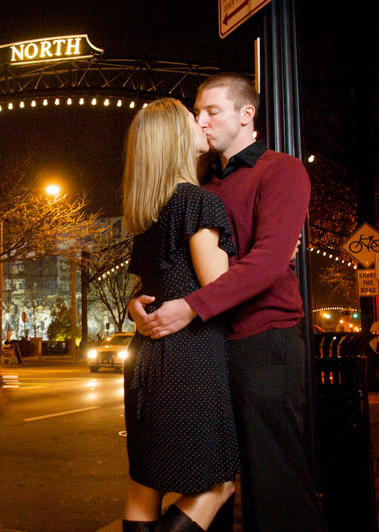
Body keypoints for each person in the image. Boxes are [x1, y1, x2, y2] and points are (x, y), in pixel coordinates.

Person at [129, 73, 328, 532]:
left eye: (212, 111)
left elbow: (268, 263)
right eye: (197, 112)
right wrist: (136, 304)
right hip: (207, 348)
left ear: (246, 114)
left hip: (264, 341)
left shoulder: (282, 170)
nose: (201, 121)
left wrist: (191, 306)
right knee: (207, 482)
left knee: (275, 479)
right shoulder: (200, 186)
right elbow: (166, 264)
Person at [120, 98, 240, 532]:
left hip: (147, 361)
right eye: (193, 118)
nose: (201, 123)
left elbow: (144, 289)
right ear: (176, 136)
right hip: (191, 360)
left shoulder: (146, 211)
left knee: (144, 486)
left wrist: (136, 308)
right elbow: (219, 289)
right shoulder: (198, 202)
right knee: (218, 485)